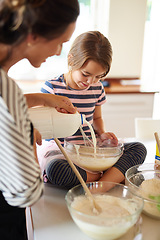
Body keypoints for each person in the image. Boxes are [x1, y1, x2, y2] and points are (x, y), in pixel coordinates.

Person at [0, 0, 79, 239]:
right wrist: (25, 134)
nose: (57, 52)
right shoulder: (7, 89)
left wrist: (40, 100)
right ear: (33, 36)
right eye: (60, 43)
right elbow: (25, 193)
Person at [39, 31, 147, 190]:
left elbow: (96, 119)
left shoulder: (97, 88)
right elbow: (43, 128)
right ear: (71, 59)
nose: (91, 82)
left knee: (139, 148)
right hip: (62, 151)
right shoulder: (53, 87)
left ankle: (96, 185)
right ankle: (105, 177)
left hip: (90, 148)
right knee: (56, 169)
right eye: (86, 74)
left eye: (98, 76)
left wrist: (102, 133)